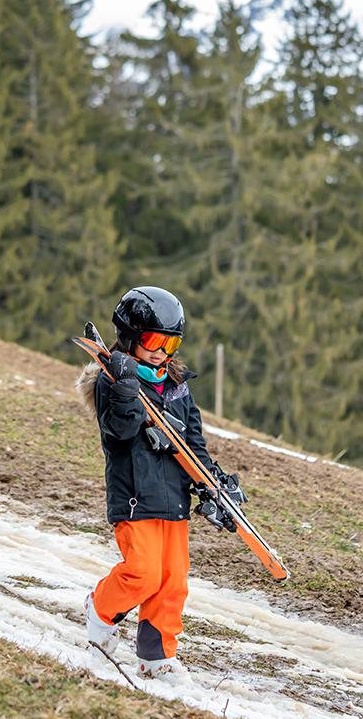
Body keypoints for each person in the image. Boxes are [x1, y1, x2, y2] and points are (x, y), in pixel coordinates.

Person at [75, 286, 246, 681]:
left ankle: (157, 656)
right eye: (153, 340)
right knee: (142, 573)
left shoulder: (176, 386)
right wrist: (124, 392)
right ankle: (100, 609)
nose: (161, 351)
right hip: (135, 497)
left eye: (171, 343)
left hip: (175, 502)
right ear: (132, 335)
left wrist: (212, 483)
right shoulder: (111, 380)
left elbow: (193, 441)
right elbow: (118, 433)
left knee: (172, 584)